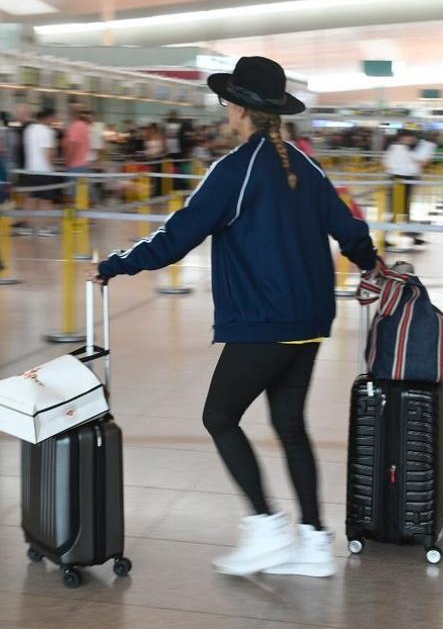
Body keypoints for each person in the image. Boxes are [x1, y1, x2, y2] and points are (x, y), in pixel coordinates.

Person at [91, 56, 378, 578]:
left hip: (264, 320)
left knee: (220, 417)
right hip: (311, 319)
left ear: (241, 108)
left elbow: (177, 237)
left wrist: (114, 265)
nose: (226, 110)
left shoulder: (234, 170)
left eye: (228, 102)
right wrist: (371, 264)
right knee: (290, 424)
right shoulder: (305, 165)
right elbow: (348, 226)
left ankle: (267, 526)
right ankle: (312, 541)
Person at [383, 129, 430, 246]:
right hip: (399, 181)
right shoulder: (398, 148)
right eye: (411, 137)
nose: (413, 139)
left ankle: (410, 236)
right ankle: (386, 238)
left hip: (404, 181)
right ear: (403, 138)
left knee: (403, 210)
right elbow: (417, 162)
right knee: (397, 210)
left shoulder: (403, 149)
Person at [21, 108, 59, 237]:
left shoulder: (29, 130)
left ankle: (27, 226)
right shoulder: (48, 131)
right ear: (48, 118)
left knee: (31, 198)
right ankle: (47, 227)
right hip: (45, 170)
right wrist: (53, 163)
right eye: (54, 118)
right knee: (46, 200)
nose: (55, 121)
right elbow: (48, 154)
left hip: (31, 169)